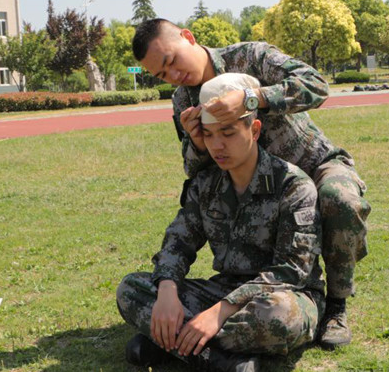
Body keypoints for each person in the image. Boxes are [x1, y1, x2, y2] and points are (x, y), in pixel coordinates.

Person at [132, 19, 370, 348]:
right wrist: (198, 143)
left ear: (188, 38)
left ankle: (336, 307)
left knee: (339, 199)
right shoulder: (182, 100)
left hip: (311, 164)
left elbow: (315, 84)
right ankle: (205, 334)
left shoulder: (250, 57)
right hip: (250, 180)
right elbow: (196, 171)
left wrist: (252, 98)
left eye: (171, 61)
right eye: (161, 75)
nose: (172, 76)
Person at [117, 73, 325, 372]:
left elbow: (291, 270)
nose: (216, 146)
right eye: (209, 134)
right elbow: (177, 242)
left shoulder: (293, 186)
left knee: (281, 319)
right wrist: (168, 291)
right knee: (132, 289)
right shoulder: (206, 184)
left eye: (227, 132)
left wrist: (220, 312)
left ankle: (169, 342)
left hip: (282, 296)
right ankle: (222, 362)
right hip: (221, 291)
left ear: (254, 130)